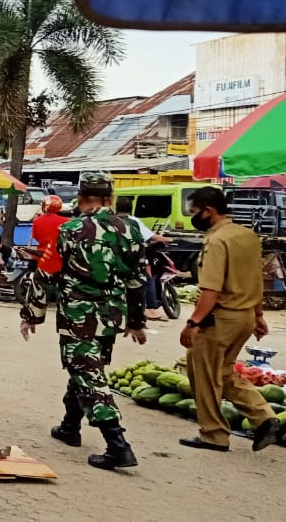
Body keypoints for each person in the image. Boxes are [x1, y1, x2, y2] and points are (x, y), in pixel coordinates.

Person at [20, 172, 147, 470]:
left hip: (78, 317)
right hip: (111, 316)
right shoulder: (130, 229)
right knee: (87, 368)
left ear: (79, 200)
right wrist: (136, 321)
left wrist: (31, 315)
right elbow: (138, 279)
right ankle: (69, 426)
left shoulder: (71, 229)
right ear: (110, 199)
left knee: (88, 374)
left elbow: (45, 273)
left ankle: (118, 445)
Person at [179, 187, 282, 452]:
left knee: (203, 374)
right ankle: (264, 417)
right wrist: (258, 315)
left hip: (220, 319)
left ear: (208, 211)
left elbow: (210, 289)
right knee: (224, 373)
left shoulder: (217, 241)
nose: (193, 217)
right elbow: (257, 278)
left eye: (194, 212)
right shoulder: (247, 235)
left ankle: (213, 434)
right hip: (245, 316)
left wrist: (194, 323)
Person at [115, 197, 174, 321]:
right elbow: (151, 237)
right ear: (131, 208)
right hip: (133, 258)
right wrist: (167, 239)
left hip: (113, 258)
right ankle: (151, 310)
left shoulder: (111, 221)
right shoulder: (134, 221)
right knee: (148, 279)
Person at [32, 195, 67, 276]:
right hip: (58, 254)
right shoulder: (65, 221)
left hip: (41, 252)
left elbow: (36, 237)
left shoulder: (37, 221)